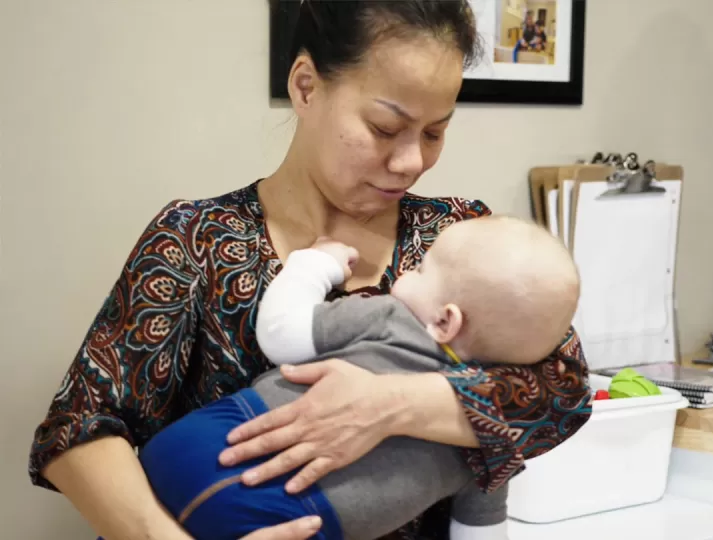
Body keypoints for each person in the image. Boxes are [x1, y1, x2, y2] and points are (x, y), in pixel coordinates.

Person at [28, 2, 593, 539]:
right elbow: (79, 430)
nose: (411, 162)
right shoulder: (196, 241)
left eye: (434, 132)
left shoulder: (459, 239)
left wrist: (387, 405)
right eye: (384, 127)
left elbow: (566, 393)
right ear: (305, 86)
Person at [139, 215, 581, 540]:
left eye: (422, 270)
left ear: (446, 322)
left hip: (208, 445)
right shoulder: (489, 444)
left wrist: (315, 265)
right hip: (296, 519)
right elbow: (480, 530)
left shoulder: (391, 317)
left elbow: (282, 333)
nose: (407, 273)